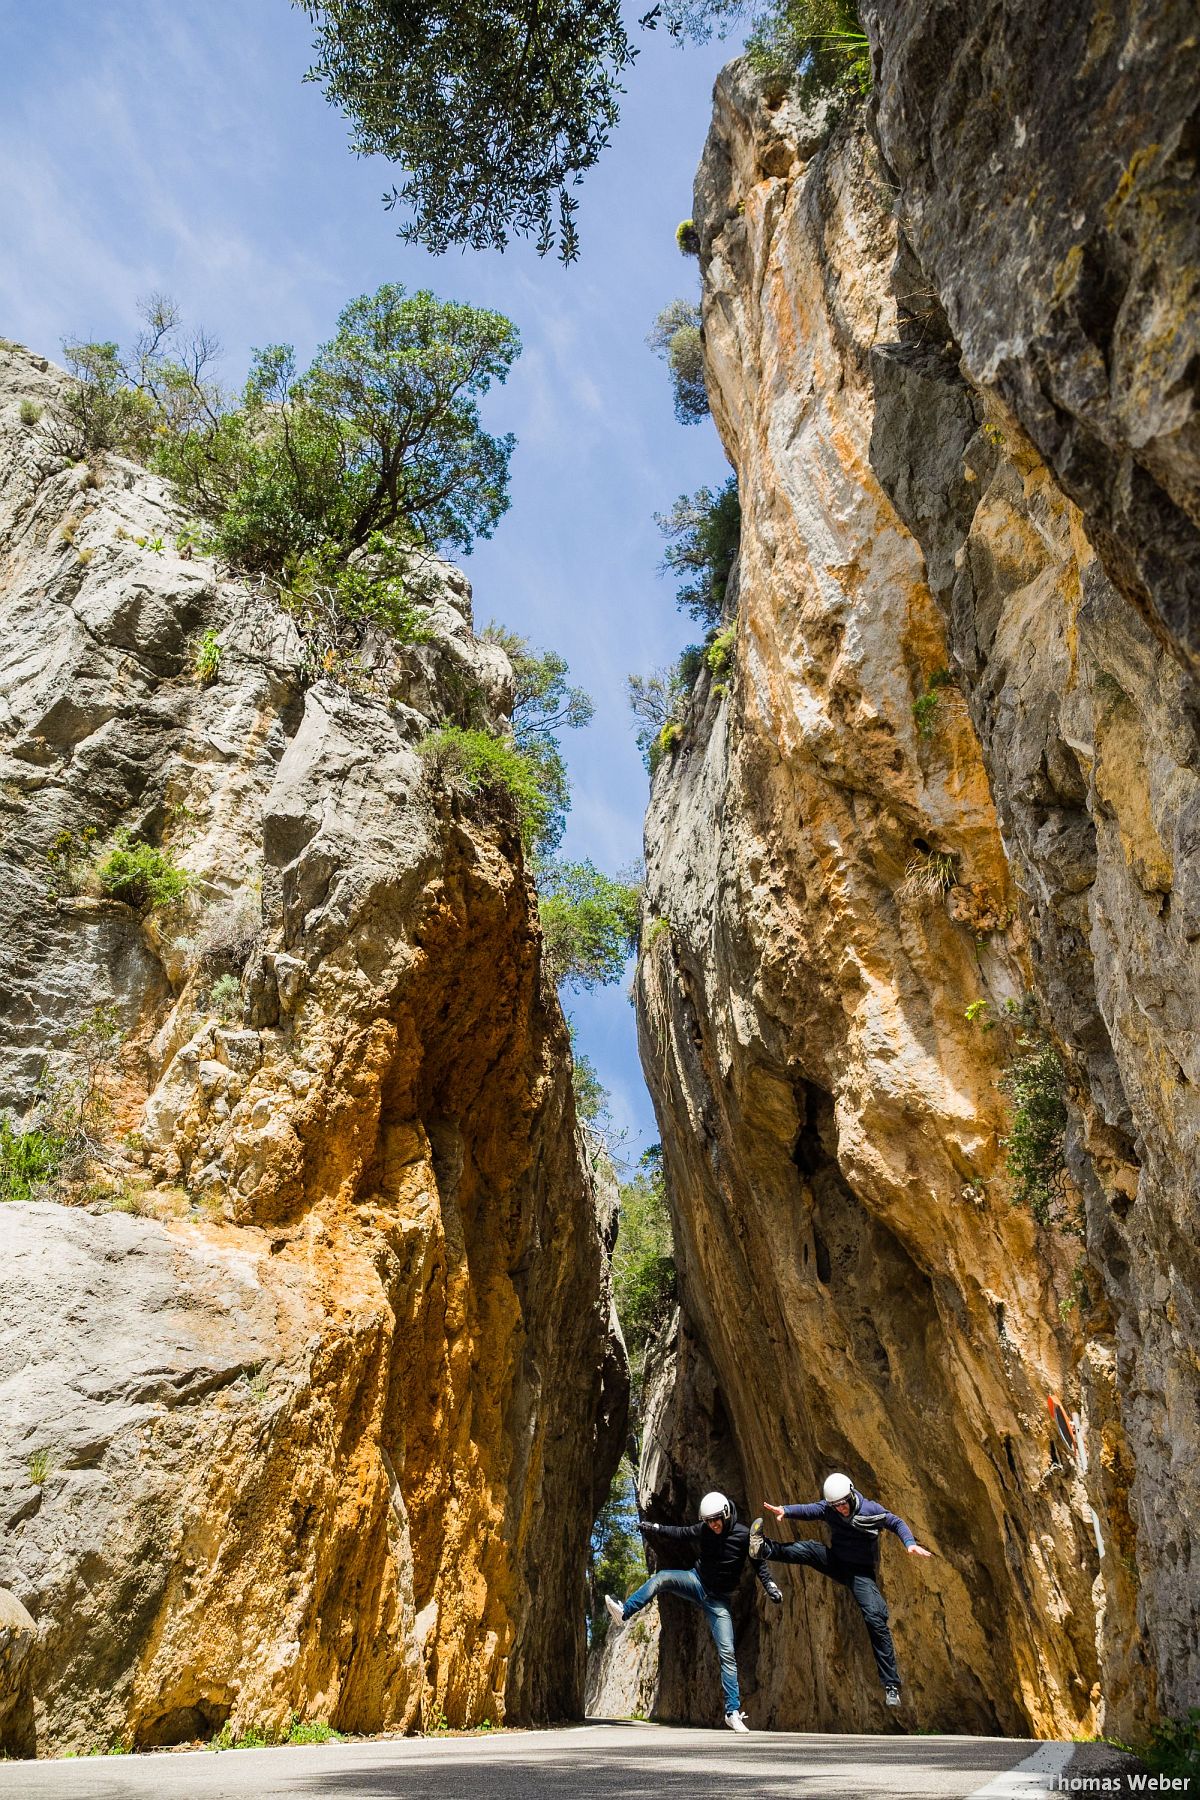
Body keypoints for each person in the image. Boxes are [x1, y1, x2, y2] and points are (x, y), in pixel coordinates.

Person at [749, 1471, 933, 1708]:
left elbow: (895, 1522)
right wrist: (786, 1510)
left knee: (875, 1617)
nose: (841, 1509)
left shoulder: (869, 1510)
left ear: (851, 1495)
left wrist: (909, 1544)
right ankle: (765, 1549)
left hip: (860, 1573)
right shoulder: (831, 1509)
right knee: (810, 1550)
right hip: (836, 1561)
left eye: (843, 1504)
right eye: (835, 1506)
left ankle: (890, 1685)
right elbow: (812, 1510)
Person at [604, 1489, 782, 1732]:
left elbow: (759, 1563)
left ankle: (732, 1713)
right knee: (662, 1578)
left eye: (716, 1520)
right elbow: (680, 1533)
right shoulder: (704, 1529)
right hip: (696, 1582)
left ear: (726, 1514)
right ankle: (624, 1612)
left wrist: (770, 1586)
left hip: (719, 1600)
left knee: (727, 1653)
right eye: (708, 1521)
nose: (713, 1525)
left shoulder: (743, 1535)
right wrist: (654, 1527)